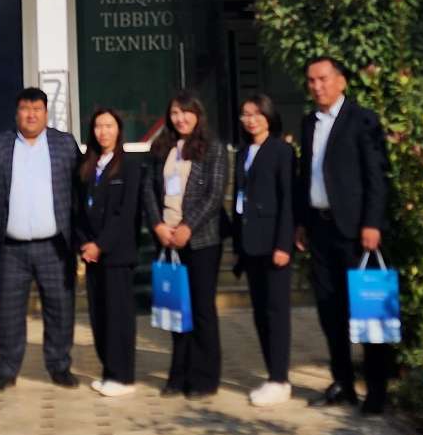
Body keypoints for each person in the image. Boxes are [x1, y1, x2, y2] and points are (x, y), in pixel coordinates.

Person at [294, 54, 391, 415]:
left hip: (355, 231)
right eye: (311, 81)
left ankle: (377, 391)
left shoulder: (362, 119)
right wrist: (302, 222)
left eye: (323, 79)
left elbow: (376, 175)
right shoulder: (309, 123)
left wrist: (372, 223)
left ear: (341, 81)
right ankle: (343, 383)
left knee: (367, 308)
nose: (317, 86)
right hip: (319, 229)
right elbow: (307, 175)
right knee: (329, 309)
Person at [0, 87, 82, 392]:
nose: (31, 115)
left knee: (60, 309)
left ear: (46, 113)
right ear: (16, 112)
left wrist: (83, 235)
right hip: (10, 247)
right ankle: (6, 370)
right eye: (25, 109)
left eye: (37, 109)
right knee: (9, 312)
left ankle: (59, 366)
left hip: (55, 246)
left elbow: (80, 190)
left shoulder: (64, 144)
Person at [143, 92, 227, 398]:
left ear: (198, 114)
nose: (180, 118)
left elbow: (215, 194)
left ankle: (204, 378)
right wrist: (158, 225)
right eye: (175, 113)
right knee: (175, 308)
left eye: (186, 112)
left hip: (202, 240)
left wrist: (188, 227)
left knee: (202, 309)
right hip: (167, 239)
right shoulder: (161, 147)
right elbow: (148, 190)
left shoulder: (213, 147)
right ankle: (178, 375)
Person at [232, 92, 297, 406]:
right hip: (250, 244)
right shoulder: (243, 152)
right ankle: (272, 374)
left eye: (257, 113)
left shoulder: (282, 151)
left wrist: (284, 244)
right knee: (260, 312)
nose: (251, 120)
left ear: (269, 116)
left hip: (273, 244)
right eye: (246, 114)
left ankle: (280, 378)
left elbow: (288, 201)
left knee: (276, 313)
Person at [75, 107, 143, 396]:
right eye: (98, 126)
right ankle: (108, 371)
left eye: (109, 126)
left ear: (119, 130)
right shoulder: (88, 165)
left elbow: (126, 213)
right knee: (99, 315)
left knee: (118, 317)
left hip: (116, 254)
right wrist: (84, 243)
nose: (103, 132)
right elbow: (78, 209)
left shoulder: (129, 166)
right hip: (91, 255)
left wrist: (100, 245)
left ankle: (122, 376)